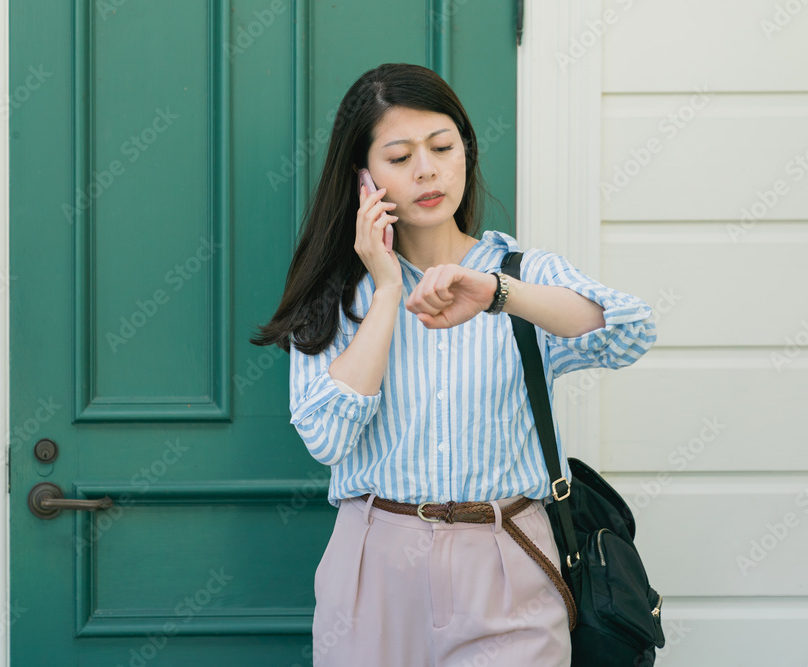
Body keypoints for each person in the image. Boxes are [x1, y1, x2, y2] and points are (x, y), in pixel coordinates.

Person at [251, 63, 656, 667]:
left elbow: (629, 332)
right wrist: (386, 293)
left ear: (465, 150)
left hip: (507, 554)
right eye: (399, 156)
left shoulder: (521, 273)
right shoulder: (337, 296)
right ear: (363, 178)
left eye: (442, 147)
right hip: (374, 563)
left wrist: (497, 294)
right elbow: (327, 437)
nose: (427, 170)